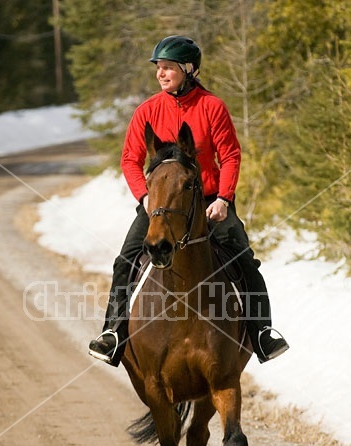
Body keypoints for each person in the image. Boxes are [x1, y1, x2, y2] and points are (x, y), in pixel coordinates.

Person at [89, 35, 289, 366]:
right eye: (159, 68)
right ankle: (112, 333)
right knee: (125, 260)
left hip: (209, 200)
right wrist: (144, 196)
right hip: (159, 203)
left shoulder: (212, 107)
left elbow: (230, 155)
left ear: (188, 69)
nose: (161, 74)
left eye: (168, 68)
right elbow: (129, 160)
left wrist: (224, 198)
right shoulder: (147, 111)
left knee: (244, 259)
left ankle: (262, 333)